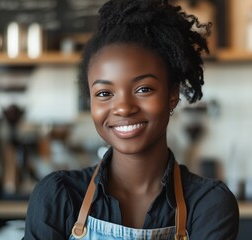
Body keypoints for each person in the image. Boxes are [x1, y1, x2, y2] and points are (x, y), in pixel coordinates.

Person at [23, 0, 239, 239]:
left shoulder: (208, 205)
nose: (124, 108)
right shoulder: (58, 196)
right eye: (104, 94)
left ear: (172, 94)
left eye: (143, 89)